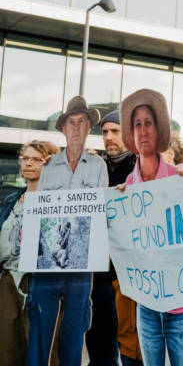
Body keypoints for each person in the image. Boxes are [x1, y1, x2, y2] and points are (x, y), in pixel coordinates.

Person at [111, 89, 183, 366]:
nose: (143, 131)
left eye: (148, 123)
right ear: (131, 133)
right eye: (137, 124)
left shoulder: (182, 178)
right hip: (146, 308)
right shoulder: (126, 190)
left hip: (180, 308)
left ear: (159, 130)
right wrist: (118, 209)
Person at [28, 96, 109, 366]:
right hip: (46, 262)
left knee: (74, 334)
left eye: (82, 122)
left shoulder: (99, 166)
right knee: (40, 332)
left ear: (89, 129)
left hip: (82, 264)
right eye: (71, 123)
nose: (76, 128)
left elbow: (103, 214)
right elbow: (38, 213)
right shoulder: (48, 166)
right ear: (63, 129)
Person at [1, 140, 59, 365]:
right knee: (7, 347)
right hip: (8, 279)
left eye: (36, 159)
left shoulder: (58, 199)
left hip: (40, 281)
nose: (28, 164)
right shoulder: (12, 199)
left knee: (41, 350)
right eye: (25, 158)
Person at [88, 110, 135, 366]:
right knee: (98, 345)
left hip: (127, 275)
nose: (108, 137)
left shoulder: (139, 167)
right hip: (97, 272)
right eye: (104, 132)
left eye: (115, 131)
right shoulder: (95, 167)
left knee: (129, 346)